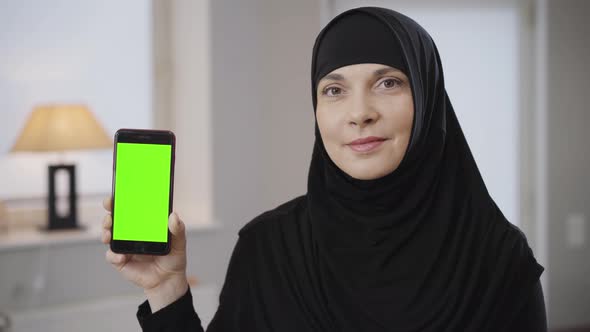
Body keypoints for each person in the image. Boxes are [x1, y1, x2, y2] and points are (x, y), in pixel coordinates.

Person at [101, 7, 547, 331]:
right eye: (334, 90)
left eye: (388, 83)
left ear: (428, 100)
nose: (359, 113)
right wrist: (166, 289)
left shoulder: (498, 257)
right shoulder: (268, 248)